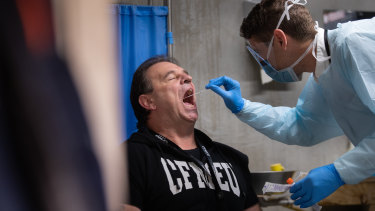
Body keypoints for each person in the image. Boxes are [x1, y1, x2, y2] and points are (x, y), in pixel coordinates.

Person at [205, 0, 375, 208]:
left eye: (259, 52)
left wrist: (338, 172)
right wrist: (243, 107)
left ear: (280, 39)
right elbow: (302, 125)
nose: (262, 62)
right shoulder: (326, 72)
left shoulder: (355, 42)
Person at [124, 55, 260, 211]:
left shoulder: (233, 158)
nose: (188, 78)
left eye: (186, 76)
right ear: (149, 102)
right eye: (171, 78)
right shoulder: (128, 158)